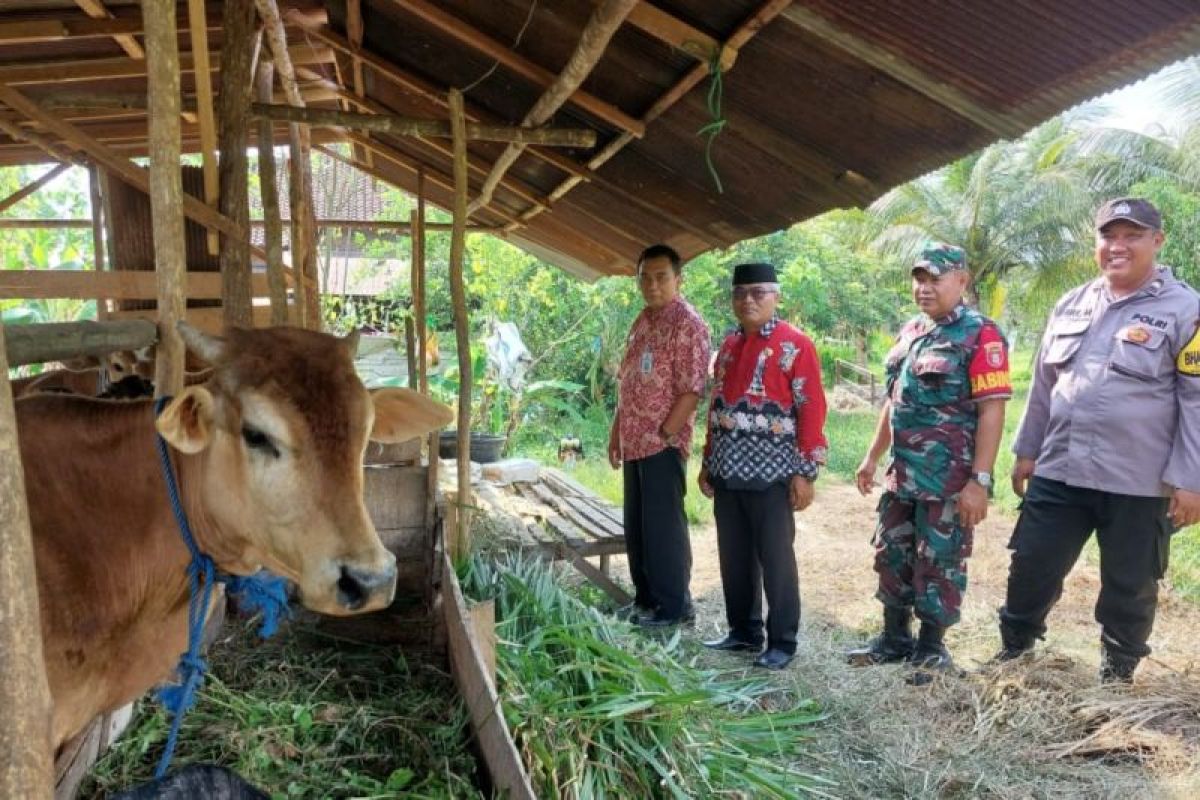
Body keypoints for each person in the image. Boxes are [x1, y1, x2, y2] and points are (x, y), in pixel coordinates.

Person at [995, 197, 1200, 682]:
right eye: (1109, 236)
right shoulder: (1072, 302)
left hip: (1138, 481)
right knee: (1031, 567)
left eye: (1132, 235)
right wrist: (1027, 450)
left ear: (1157, 241)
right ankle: (1014, 658)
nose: (1118, 246)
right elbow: (1045, 386)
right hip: (1060, 469)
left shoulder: (1187, 310)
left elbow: (1196, 400)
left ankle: (1115, 680)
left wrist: (1190, 479)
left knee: (1130, 586)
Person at [849, 243, 1011, 675]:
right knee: (892, 553)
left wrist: (980, 480)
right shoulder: (911, 331)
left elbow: (992, 409)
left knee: (939, 560)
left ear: (962, 280)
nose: (924, 287)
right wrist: (871, 458)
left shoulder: (981, 334)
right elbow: (893, 400)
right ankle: (894, 638)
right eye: (919, 278)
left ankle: (932, 647)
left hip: (949, 480)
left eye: (935, 278)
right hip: (901, 475)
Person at [699, 262, 828, 670]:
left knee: (776, 560)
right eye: (740, 293)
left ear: (776, 297)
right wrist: (707, 460)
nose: (748, 300)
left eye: (758, 292)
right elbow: (716, 407)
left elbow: (812, 410)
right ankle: (743, 632)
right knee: (733, 557)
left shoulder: (796, 345)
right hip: (728, 471)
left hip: (774, 475)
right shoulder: (729, 346)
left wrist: (805, 472)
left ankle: (782, 642)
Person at [608, 244, 711, 626]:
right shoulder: (643, 320)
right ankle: (646, 600)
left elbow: (692, 389)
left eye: (661, 277)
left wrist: (668, 433)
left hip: (661, 444)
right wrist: (616, 431)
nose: (652, 285)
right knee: (638, 526)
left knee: (663, 527)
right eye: (645, 278)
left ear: (678, 280)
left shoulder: (688, 323)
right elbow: (629, 381)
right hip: (634, 442)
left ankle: (675, 607)